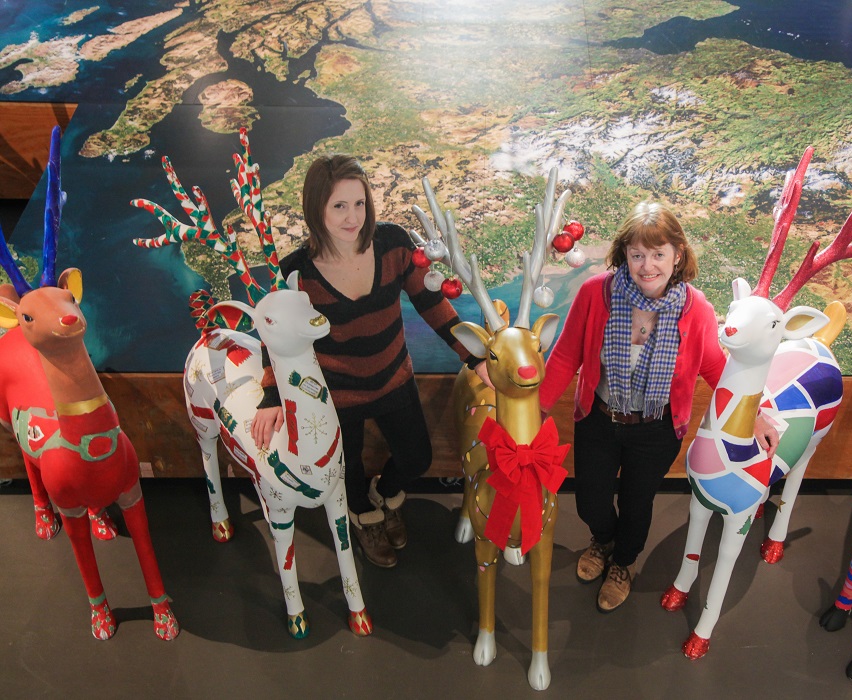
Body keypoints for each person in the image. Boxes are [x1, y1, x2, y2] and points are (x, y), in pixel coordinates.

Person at [251, 154, 489, 569]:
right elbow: (274, 339)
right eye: (339, 206)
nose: (352, 217)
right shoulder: (295, 274)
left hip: (394, 380)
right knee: (348, 472)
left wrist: (475, 358)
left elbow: (432, 304)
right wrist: (271, 395)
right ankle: (366, 518)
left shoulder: (393, 244)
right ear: (315, 209)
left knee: (416, 458)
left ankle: (387, 498)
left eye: (359, 204)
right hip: (336, 397)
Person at [538, 201, 777, 613]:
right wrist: (534, 409)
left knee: (637, 503)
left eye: (659, 254)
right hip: (599, 417)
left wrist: (755, 410)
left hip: (655, 428)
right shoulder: (597, 294)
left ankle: (623, 564)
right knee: (590, 500)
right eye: (637, 254)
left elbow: (715, 366)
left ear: (678, 255)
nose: (647, 266)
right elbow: (564, 356)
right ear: (624, 255)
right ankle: (603, 541)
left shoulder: (694, 307)